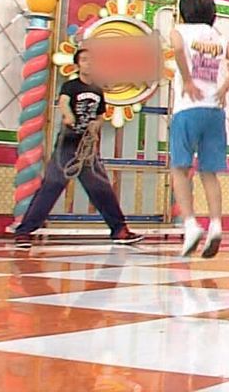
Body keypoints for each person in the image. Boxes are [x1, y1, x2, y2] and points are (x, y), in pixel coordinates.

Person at [14, 48, 143, 248]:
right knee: (52, 185)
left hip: (87, 148)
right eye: (84, 60)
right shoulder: (71, 86)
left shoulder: (98, 90)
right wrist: (68, 115)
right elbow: (64, 102)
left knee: (101, 188)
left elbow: (100, 115)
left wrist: (96, 125)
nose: (89, 63)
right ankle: (24, 231)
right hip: (68, 144)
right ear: (78, 65)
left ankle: (119, 230)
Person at [168, 0, 229, 257]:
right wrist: (224, 88)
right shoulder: (218, 38)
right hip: (214, 110)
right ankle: (216, 225)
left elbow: (177, 48)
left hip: (188, 108)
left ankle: (190, 224)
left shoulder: (180, 30)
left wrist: (187, 80)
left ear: (184, 12)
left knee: (179, 168)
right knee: (209, 172)